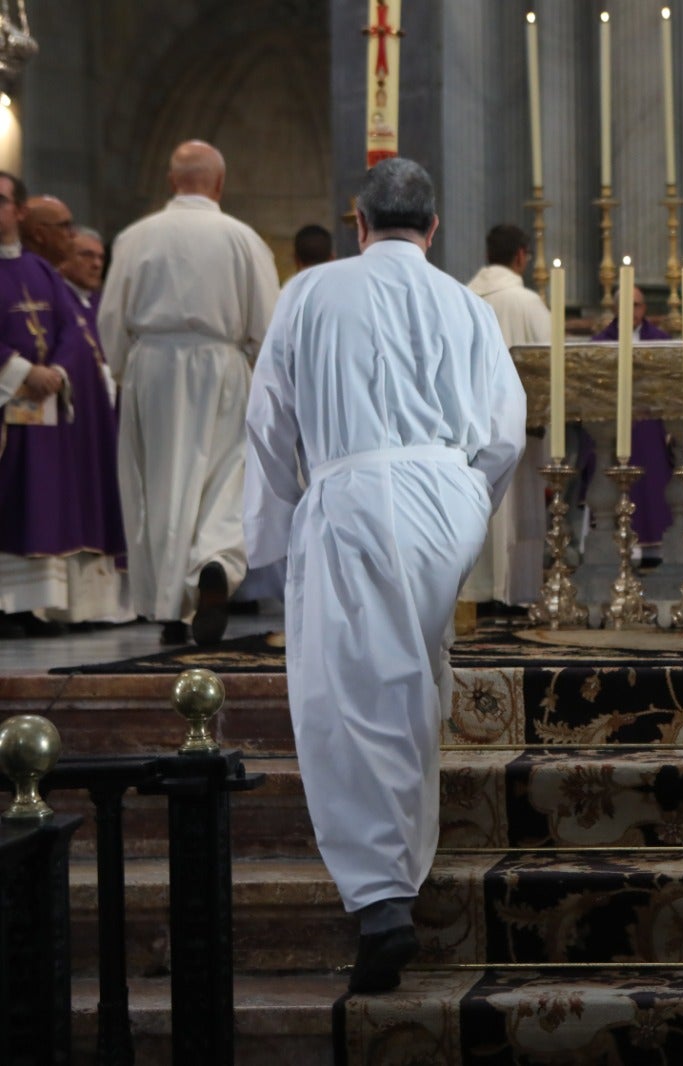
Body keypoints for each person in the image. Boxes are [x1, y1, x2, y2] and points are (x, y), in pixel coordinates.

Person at [243, 157, 526, 994]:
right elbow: (505, 433)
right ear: (433, 228)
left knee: (349, 693)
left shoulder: (310, 291)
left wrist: (274, 534)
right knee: (408, 673)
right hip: (447, 495)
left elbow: (269, 419)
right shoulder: (466, 304)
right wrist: (468, 503)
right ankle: (401, 865)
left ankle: (380, 902)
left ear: (358, 223)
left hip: (354, 492)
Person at [99, 140, 280, 645]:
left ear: (170, 181)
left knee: (159, 486)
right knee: (227, 477)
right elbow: (268, 324)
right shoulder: (242, 238)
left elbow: (111, 317)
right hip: (222, 367)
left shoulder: (135, 237)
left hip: (152, 366)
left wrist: (123, 371)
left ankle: (170, 610)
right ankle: (214, 563)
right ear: (219, 184)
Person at [0, 177, 126, 637]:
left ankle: (29, 607)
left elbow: (74, 329)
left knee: (40, 501)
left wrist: (56, 370)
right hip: (9, 401)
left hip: (45, 406)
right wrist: (19, 371)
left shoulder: (42, 270)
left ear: (19, 212)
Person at [463, 223, 549, 608]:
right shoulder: (526, 302)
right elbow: (551, 364)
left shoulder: (463, 297)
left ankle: (477, 591)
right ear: (521, 256)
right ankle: (515, 593)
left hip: (470, 429)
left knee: (476, 508)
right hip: (519, 427)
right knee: (516, 509)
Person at [591, 285, 674, 563]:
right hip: (613, 422)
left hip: (650, 421)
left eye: (636, 305)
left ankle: (653, 548)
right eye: (625, 305)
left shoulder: (660, 341)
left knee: (652, 483)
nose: (631, 311)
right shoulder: (600, 343)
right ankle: (615, 544)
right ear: (615, 309)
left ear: (644, 308)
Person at [60, 227, 106, 313]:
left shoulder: (104, 303)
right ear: (64, 259)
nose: (97, 264)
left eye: (101, 258)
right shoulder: (54, 299)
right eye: (87, 255)